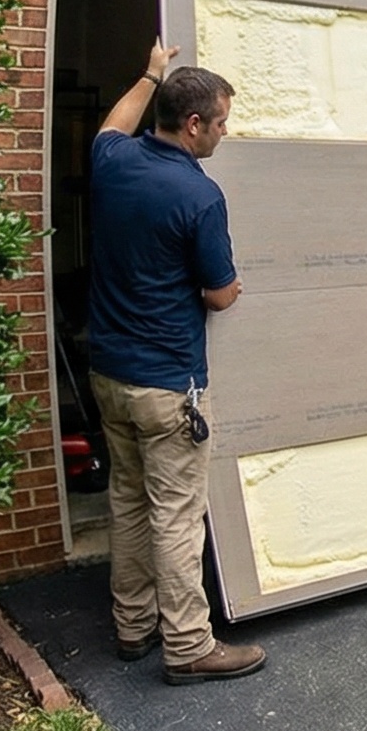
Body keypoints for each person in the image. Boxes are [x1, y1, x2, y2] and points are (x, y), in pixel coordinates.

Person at [88, 40, 265, 684]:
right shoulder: (199, 195)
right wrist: (234, 286)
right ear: (194, 125)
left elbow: (115, 118)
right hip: (168, 386)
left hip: (109, 375)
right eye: (220, 121)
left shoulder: (112, 160)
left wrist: (151, 72)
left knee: (128, 502)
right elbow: (218, 293)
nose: (224, 131)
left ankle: (132, 627)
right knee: (176, 514)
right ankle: (189, 645)